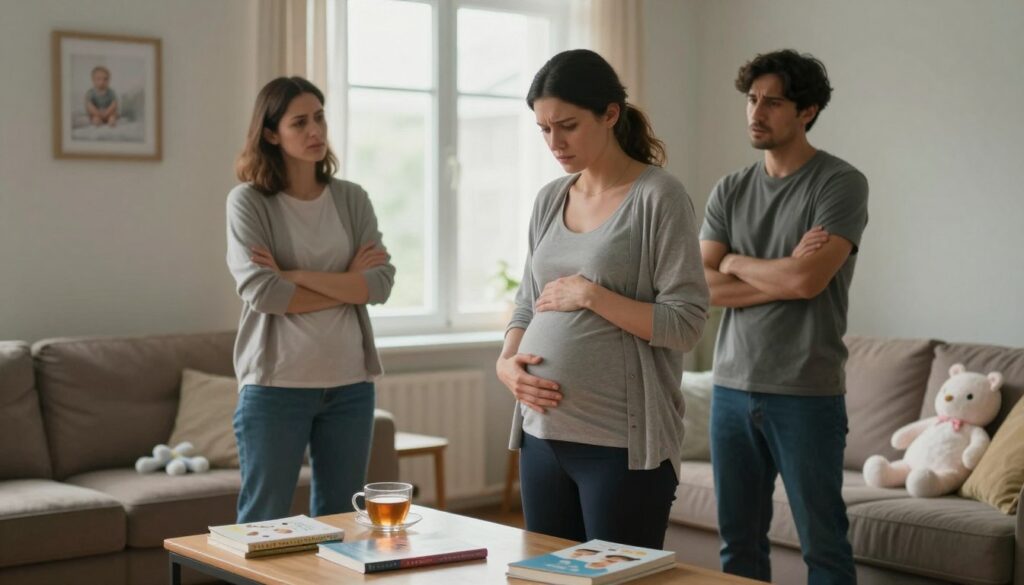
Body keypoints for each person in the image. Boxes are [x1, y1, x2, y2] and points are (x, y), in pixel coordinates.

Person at [497, 49, 708, 549]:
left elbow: (687, 322)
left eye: (567, 125)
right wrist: (506, 362)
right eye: (544, 129)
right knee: (546, 580)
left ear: (610, 113)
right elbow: (529, 301)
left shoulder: (659, 197)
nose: (555, 142)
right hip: (541, 437)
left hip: (620, 447)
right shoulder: (551, 198)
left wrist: (592, 295)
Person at [700, 49, 868, 584]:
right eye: (752, 100)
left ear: (807, 111)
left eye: (773, 102)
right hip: (729, 387)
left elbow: (809, 280)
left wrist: (732, 262)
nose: (757, 112)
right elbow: (701, 287)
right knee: (738, 547)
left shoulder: (839, 183)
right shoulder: (730, 188)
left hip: (805, 391)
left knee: (824, 548)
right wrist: (776, 273)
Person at [226, 76, 395, 523]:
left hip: (350, 384)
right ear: (270, 133)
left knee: (341, 522)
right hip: (275, 385)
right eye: (299, 122)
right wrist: (346, 283)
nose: (315, 131)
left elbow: (379, 284)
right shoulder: (248, 202)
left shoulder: (351, 198)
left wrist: (295, 275)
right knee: (263, 522)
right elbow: (264, 293)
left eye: (319, 117)